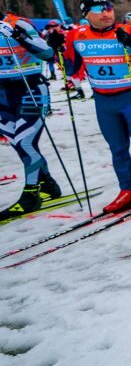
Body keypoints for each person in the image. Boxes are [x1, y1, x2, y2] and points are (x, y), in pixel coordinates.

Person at [64, 0, 131, 212]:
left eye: (108, 8)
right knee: (117, 148)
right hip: (103, 100)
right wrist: (60, 51)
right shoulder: (76, 36)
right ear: (86, 15)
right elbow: (72, 69)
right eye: (99, 10)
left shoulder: (130, 31)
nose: (106, 13)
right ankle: (126, 190)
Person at [0, 11, 60, 214]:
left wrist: (17, 36)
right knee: (17, 143)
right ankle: (47, 183)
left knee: (25, 142)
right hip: (3, 95)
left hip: (30, 89)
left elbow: (47, 53)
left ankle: (31, 194)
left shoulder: (19, 24)